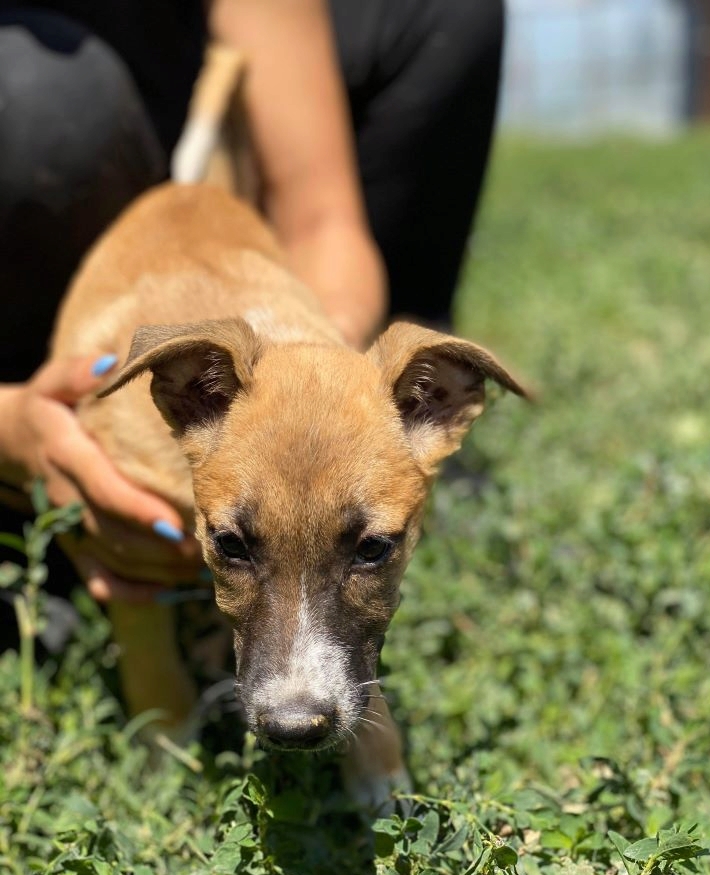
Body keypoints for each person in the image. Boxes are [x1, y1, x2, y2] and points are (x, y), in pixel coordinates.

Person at [0, 0, 504, 614]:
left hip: (192, 189)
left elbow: (323, 220)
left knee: (442, 13)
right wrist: (14, 431)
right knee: (39, 95)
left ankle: (400, 439)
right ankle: (49, 561)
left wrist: (330, 380)